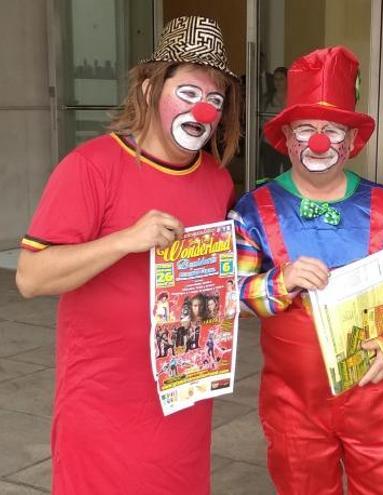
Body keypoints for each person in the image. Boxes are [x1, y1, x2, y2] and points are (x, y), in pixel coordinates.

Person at [15, 16, 240, 494]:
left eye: (215, 100)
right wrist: (124, 240)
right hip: (103, 408)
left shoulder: (217, 180)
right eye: (189, 93)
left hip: (184, 400)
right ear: (147, 90)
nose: (203, 112)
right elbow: (31, 278)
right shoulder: (91, 166)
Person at [230, 46, 383, 494]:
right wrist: (278, 282)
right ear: (286, 137)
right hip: (293, 402)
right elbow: (230, 294)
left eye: (332, 130)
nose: (319, 142)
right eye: (306, 129)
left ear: (351, 141)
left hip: (375, 396)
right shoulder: (254, 211)